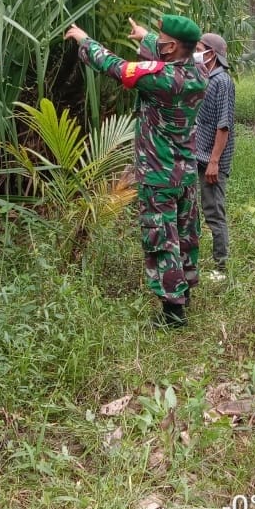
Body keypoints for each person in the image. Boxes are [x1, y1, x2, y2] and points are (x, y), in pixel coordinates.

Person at [64, 16, 207, 327]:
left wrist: (84, 40)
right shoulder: (199, 72)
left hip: (159, 174)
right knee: (185, 234)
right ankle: (186, 290)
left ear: (171, 47)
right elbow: (170, 55)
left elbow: (115, 67)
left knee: (162, 238)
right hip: (185, 173)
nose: (157, 39)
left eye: (161, 38)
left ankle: (173, 312)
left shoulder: (162, 80)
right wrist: (146, 38)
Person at [193, 33, 235, 281]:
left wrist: (214, 161)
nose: (195, 53)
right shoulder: (205, 78)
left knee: (213, 211)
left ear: (211, 53)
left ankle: (220, 266)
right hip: (198, 156)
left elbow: (224, 125)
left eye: (198, 49)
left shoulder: (223, 82)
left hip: (212, 160)